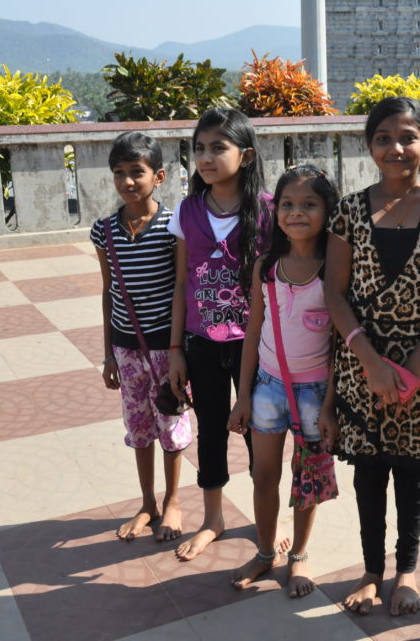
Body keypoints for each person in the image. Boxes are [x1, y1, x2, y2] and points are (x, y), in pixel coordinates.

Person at [325, 97, 420, 617]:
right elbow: (334, 294)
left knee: (411, 473)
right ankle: (370, 571)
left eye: (407, 137)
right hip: (362, 363)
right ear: (370, 146)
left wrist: (409, 368)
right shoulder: (348, 210)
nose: (396, 148)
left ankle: (406, 568)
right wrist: (371, 362)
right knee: (367, 472)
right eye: (383, 138)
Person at [226, 165, 341, 597]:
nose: (296, 212)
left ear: (328, 211)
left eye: (309, 204)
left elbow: (340, 347)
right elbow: (252, 333)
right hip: (268, 390)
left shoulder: (334, 268)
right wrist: (243, 397)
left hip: (315, 395)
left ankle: (299, 556)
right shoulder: (266, 268)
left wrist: (330, 404)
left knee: (308, 477)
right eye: (287, 204)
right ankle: (263, 550)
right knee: (264, 476)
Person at [167, 107, 275, 561]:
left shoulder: (269, 211)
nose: (206, 157)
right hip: (201, 344)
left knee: (260, 434)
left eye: (218, 148)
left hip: (258, 346)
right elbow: (179, 284)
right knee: (211, 430)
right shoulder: (187, 211)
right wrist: (175, 349)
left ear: (246, 156)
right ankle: (213, 519)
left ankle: (266, 518)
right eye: (199, 148)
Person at [91, 131, 192, 543]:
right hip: (125, 347)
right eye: (119, 173)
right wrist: (108, 355)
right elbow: (107, 291)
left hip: (166, 348)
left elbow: (181, 286)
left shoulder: (174, 226)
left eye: (137, 172)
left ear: (160, 176)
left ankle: (173, 501)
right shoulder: (104, 231)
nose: (127, 182)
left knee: (170, 419)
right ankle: (147, 502)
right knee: (138, 426)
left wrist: (177, 350)